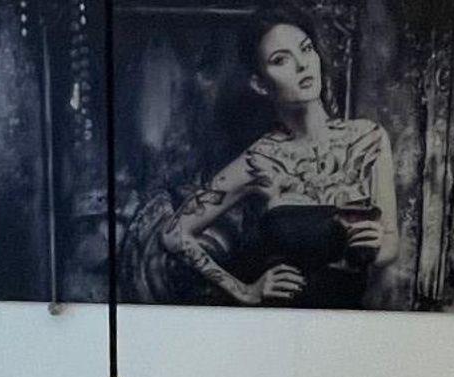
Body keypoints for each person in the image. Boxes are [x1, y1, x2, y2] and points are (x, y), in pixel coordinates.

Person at [164, 10, 399, 307]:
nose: (302, 64)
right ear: (260, 84)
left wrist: (375, 246)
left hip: (346, 319)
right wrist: (244, 290)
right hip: (281, 319)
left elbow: (391, 242)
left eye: (306, 49)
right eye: (280, 60)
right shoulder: (260, 159)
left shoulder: (369, 138)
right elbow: (174, 233)